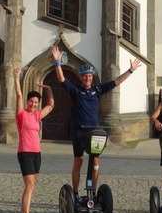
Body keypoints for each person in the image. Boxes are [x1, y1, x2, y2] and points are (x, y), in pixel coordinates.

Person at [51, 44, 143, 195]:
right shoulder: (76, 90)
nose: (87, 78)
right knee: (78, 161)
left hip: (94, 132)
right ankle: (74, 192)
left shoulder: (97, 90)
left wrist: (131, 70)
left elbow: (116, 82)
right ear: (81, 78)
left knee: (95, 162)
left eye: (89, 76)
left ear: (92, 78)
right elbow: (61, 79)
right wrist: (57, 63)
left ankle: (92, 192)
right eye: (85, 76)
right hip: (79, 131)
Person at [13, 65, 54, 213]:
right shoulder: (21, 115)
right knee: (29, 185)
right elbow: (18, 94)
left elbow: (50, 105)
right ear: (27, 102)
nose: (33, 104)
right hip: (25, 153)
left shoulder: (37, 116)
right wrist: (17, 77)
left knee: (32, 184)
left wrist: (49, 89)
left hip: (37, 153)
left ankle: (23, 211)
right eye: (31, 101)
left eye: (36, 102)